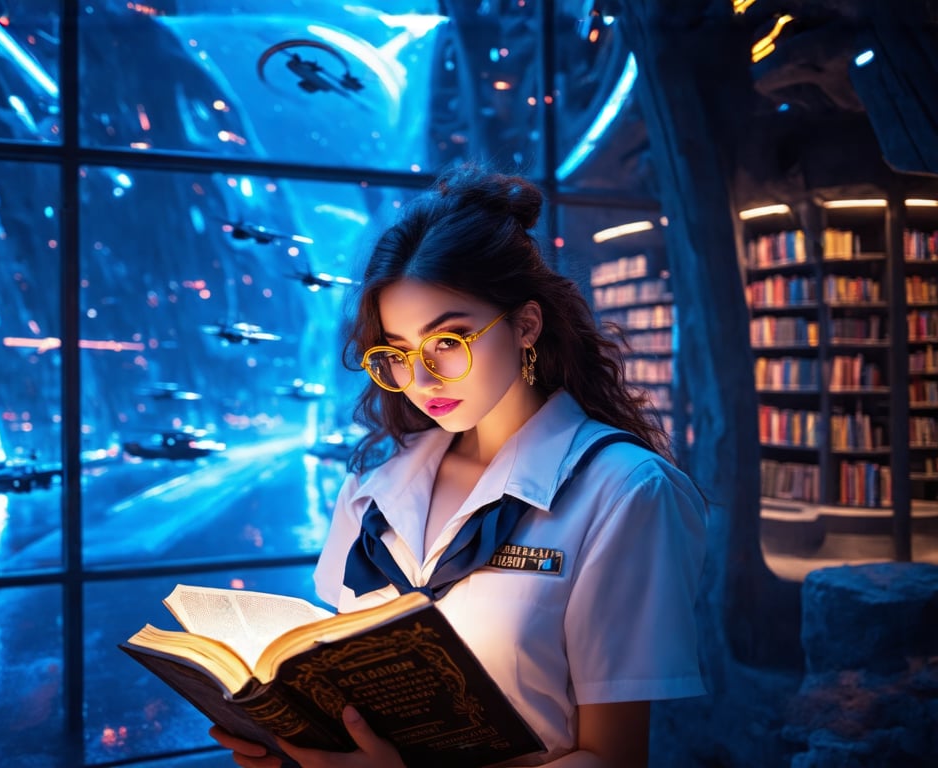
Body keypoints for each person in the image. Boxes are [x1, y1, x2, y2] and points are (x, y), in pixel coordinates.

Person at [210, 165, 707, 767]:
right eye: (397, 352)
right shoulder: (373, 483)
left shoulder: (624, 491)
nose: (419, 380)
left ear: (526, 324)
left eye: (448, 341)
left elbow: (614, 760)